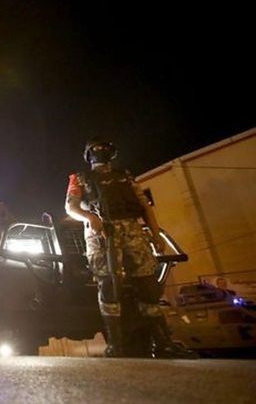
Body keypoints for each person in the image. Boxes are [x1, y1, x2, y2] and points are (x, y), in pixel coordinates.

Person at [65, 136, 198, 359]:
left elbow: (144, 206)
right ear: (89, 154)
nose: (101, 151)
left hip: (133, 232)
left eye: (105, 147)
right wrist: (89, 217)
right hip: (103, 234)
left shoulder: (124, 176)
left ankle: (163, 343)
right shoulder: (80, 178)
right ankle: (116, 345)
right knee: (109, 287)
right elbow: (71, 207)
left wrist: (155, 234)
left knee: (148, 286)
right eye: (97, 148)